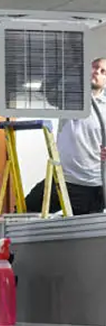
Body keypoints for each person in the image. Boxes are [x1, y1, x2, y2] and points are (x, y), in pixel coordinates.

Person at [25, 57, 106, 215]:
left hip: (91, 185)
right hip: (61, 178)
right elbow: (46, 91)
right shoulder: (68, 97)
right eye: (94, 67)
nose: (97, 72)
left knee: (85, 229)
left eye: (103, 71)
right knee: (23, 212)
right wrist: (66, 67)